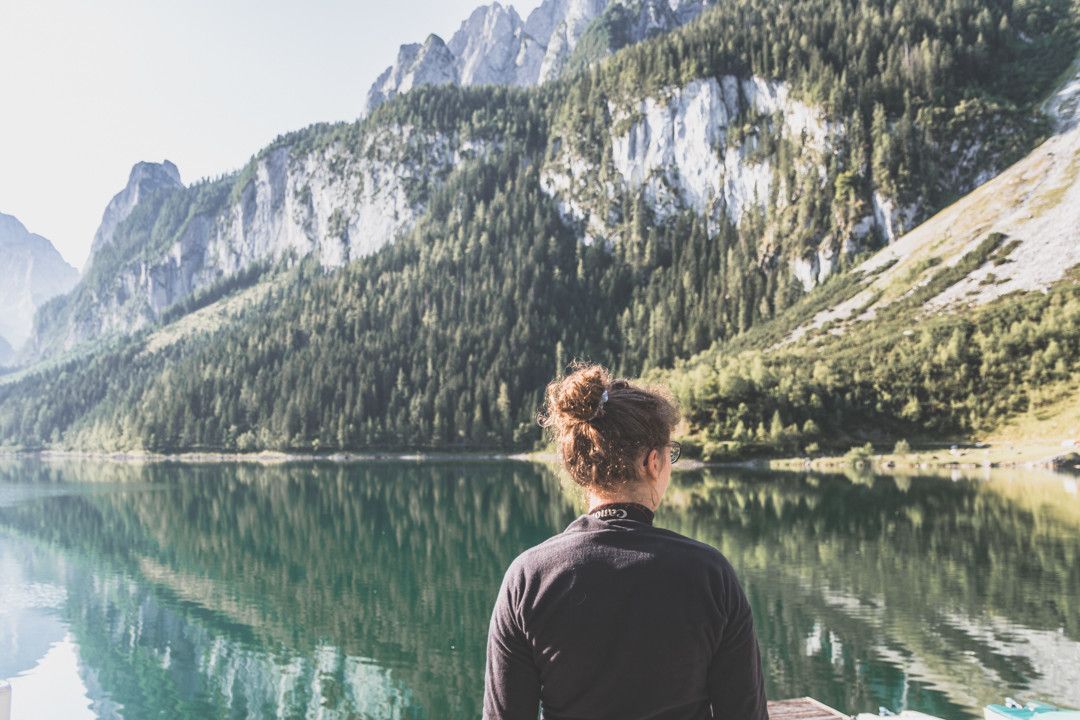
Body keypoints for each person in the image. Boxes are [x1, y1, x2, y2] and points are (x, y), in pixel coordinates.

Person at [483, 361, 768, 720]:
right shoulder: (710, 574)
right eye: (670, 454)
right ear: (653, 462)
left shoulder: (528, 577)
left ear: (580, 469)